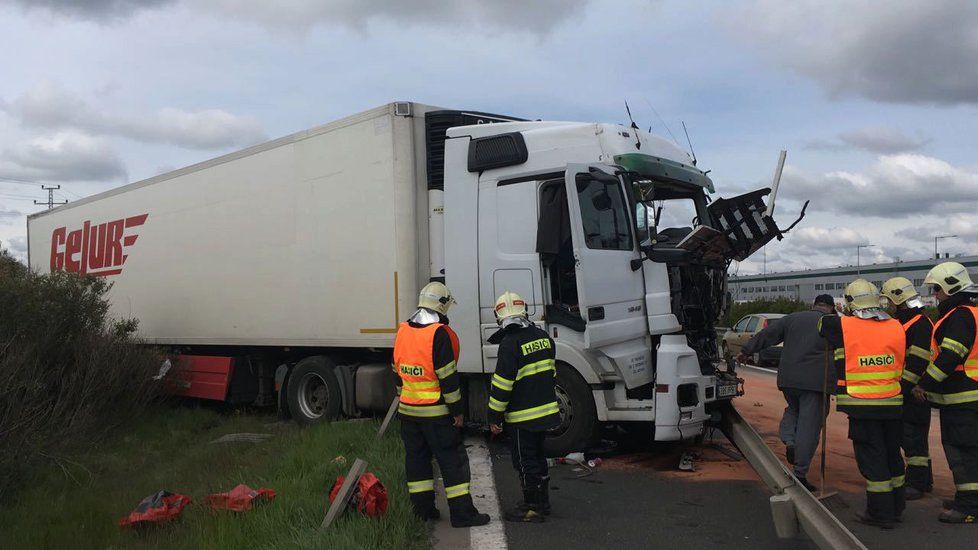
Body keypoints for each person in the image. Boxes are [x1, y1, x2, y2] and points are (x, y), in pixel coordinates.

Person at [393, 282, 490, 528]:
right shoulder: (438, 334)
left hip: (408, 411)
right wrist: (456, 412)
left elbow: (397, 372)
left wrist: (404, 398)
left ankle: (423, 511)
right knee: (452, 461)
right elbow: (448, 378)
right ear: (443, 305)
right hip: (436, 413)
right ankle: (462, 514)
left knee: (416, 461)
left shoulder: (403, 330)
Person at [819, 279, 906, 529]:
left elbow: (822, 323)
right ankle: (897, 506)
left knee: (872, 459)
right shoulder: (896, 326)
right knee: (892, 456)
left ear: (849, 303)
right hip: (892, 402)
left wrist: (842, 311)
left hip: (863, 402)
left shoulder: (842, 325)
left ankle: (880, 514)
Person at [737, 294, 837, 491]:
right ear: (832, 308)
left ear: (813, 305)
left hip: (789, 379)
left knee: (793, 408)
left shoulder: (792, 318)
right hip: (816, 382)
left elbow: (768, 335)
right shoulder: (833, 322)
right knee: (810, 424)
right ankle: (800, 472)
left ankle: (790, 440)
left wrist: (747, 350)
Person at [486, 291, 560, 523]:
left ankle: (532, 507)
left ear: (499, 317)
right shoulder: (543, 336)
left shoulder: (509, 343)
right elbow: (552, 374)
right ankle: (543, 502)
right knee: (538, 457)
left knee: (525, 460)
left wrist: (493, 417)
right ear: (524, 310)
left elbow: (502, 386)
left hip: (522, 418)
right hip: (547, 412)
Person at [913, 262, 978, 523]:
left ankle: (969, 507)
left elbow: (951, 356)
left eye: (937, 289)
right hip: (970, 397)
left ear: (951, 287)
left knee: (962, 453)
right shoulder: (971, 313)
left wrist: (924, 384)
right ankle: (968, 499)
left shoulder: (959, 316)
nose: (935, 295)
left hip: (963, 399)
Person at [881, 276, 935, 500]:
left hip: (914, 391)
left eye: (889, 301)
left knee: (913, 439)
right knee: (913, 437)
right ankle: (924, 480)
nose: (888, 306)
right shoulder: (909, 322)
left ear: (898, 299)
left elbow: (917, 361)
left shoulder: (919, 324)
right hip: (911, 388)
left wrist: (904, 387)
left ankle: (916, 483)